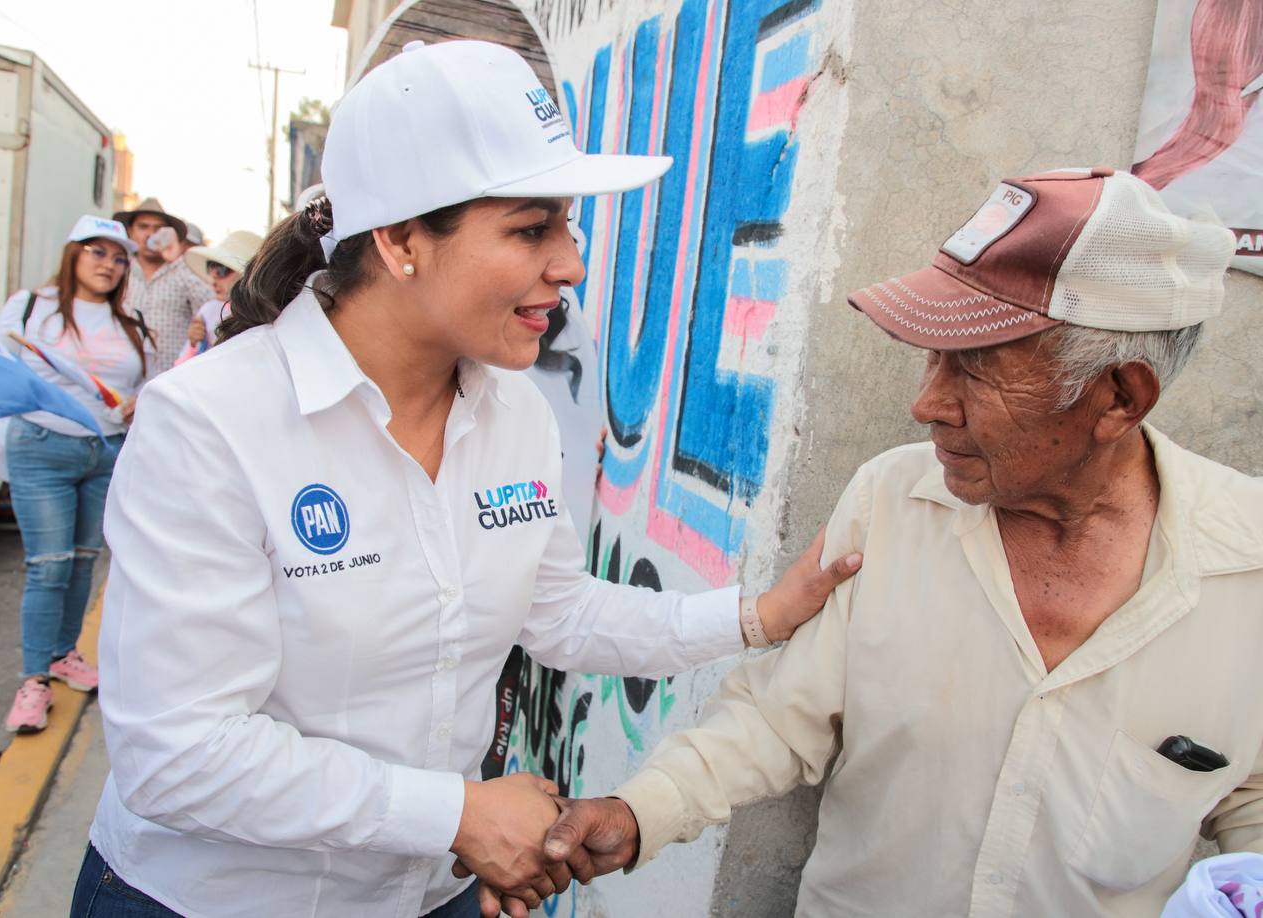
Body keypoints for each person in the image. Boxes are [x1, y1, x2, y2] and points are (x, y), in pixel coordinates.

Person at [72, 40, 862, 918]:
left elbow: (557, 611)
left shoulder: (511, 413)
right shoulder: (210, 424)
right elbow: (177, 753)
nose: (570, 262)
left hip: (428, 895)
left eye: (566, 225)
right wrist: (458, 813)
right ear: (404, 240)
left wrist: (758, 615)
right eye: (531, 228)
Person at [539, 168, 1263, 917]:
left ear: (1119, 397)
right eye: (933, 356)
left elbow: (1249, 794)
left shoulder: (1247, 572)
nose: (927, 404)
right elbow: (780, 717)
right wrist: (640, 813)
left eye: (977, 369)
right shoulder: (891, 502)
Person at [0, 215, 150, 734]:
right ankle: (34, 680)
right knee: (49, 566)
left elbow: (148, 383)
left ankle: (64, 656)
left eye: (119, 256)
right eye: (98, 252)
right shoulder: (31, 308)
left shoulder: (131, 320)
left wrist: (134, 406)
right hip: (42, 447)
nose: (109, 264)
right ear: (73, 254)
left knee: (83, 565)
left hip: (105, 452)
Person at [113, 197, 214, 372]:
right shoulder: (119, 269)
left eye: (158, 228)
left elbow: (210, 307)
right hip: (122, 376)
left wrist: (176, 259)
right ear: (130, 231)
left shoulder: (182, 270)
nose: (150, 234)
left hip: (168, 377)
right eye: (143, 226)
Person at [175, 230, 264, 364]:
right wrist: (194, 345)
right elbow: (180, 366)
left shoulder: (266, 318)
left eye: (221, 269)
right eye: (211, 268)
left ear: (247, 275)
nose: (214, 278)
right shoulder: (210, 311)